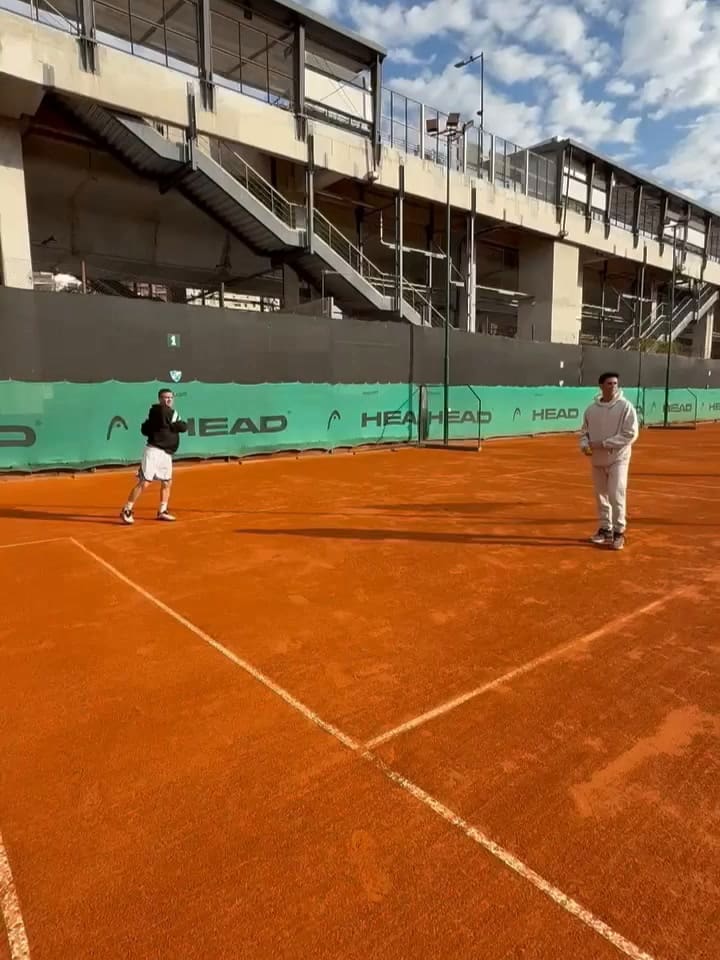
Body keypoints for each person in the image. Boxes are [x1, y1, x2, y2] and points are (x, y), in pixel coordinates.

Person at [580, 372, 639, 551]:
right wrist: (584, 445)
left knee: (616, 494)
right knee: (601, 496)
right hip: (597, 460)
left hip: (618, 458)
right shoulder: (591, 409)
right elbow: (584, 432)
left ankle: (619, 532)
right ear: (601, 386)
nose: (613, 386)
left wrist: (604, 443)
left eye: (615, 383)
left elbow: (630, 434)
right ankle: (605, 529)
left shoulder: (626, 407)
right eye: (609, 383)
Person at [120, 388, 187, 525]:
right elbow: (183, 426)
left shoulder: (160, 413)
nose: (168, 400)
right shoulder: (164, 411)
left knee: (167, 482)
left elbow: (145, 429)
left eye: (171, 397)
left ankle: (162, 510)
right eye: (165, 397)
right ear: (160, 399)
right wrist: (173, 426)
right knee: (145, 483)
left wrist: (168, 426)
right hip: (154, 452)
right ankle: (127, 509)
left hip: (166, 453)